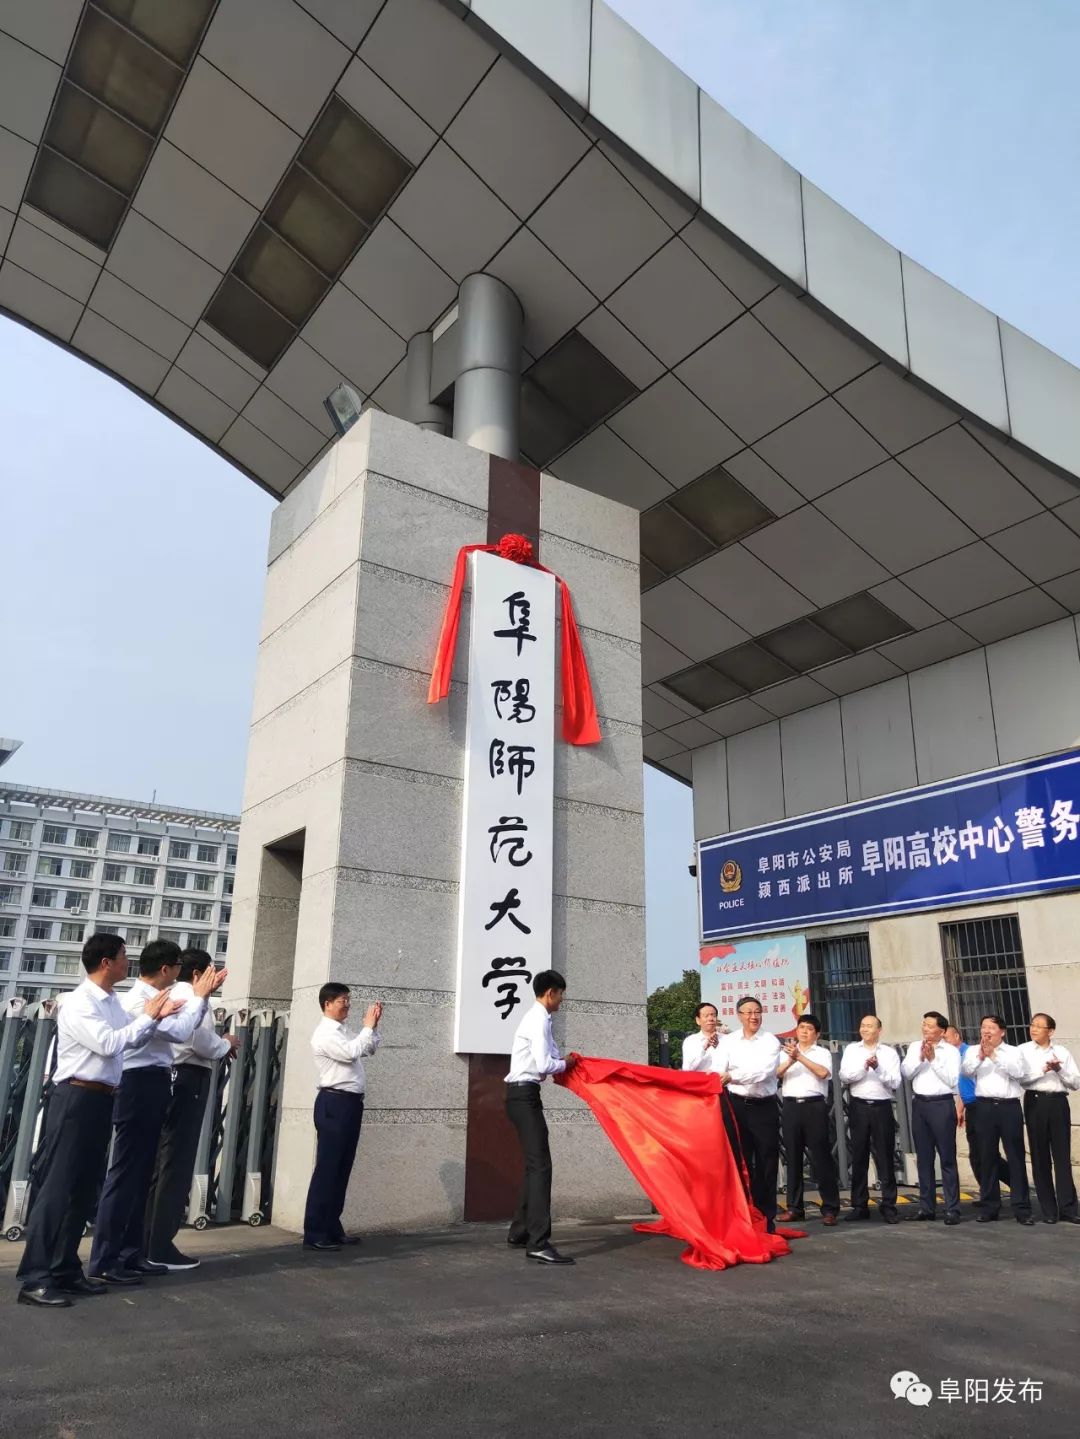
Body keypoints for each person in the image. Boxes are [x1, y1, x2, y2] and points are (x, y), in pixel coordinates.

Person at [15, 933, 185, 1307]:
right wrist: (149, 1017)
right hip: (75, 1097)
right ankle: (35, 1277)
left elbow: (133, 1039)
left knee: (84, 1188)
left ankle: (64, 1270)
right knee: (58, 1189)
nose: (129, 963)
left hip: (102, 1098)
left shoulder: (110, 1001)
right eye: (124, 956)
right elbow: (110, 1043)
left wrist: (153, 1019)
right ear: (106, 962)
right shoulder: (79, 1003)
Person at [88, 939, 225, 1284]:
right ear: (166, 969)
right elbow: (180, 1033)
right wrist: (201, 997)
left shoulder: (158, 998)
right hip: (138, 1083)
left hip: (156, 1081)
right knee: (125, 1174)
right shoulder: (138, 1001)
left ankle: (132, 1254)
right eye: (178, 967)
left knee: (141, 1173)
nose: (181, 974)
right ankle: (106, 1257)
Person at [145, 949, 241, 1269]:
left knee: (163, 1161)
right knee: (176, 1162)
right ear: (198, 974)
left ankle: (148, 1239)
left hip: (172, 1077)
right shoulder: (191, 995)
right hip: (187, 1079)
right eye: (211, 973)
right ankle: (159, 1245)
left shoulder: (173, 993)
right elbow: (201, 1042)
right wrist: (227, 1042)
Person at [505, 969, 579, 1264]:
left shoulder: (540, 1019)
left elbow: (549, 1057)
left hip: (522, 1096)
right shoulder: (538, 1020)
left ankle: (520, 1231)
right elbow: (544, 1063)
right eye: (561, 995)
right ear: (551, 992)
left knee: (533, 1166)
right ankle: (538, 1241)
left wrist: (564, 1060)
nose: (562, 1001)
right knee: (541, 1167)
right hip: (523, 1096)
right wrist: (567, 1063)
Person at [302, 983, 382, 1252]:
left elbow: (369, 1049)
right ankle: (314, 1232)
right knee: (328, 1168)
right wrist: (367, 1028)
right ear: (327, 1003)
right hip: (334, 1103)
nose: (346, 1004)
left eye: (348, 1000)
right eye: (342, 1000)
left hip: (349, 1104)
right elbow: (350, 1053)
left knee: (342, 1167)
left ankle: (332, 1227)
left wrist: (372, 1027)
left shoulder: (343, 1030)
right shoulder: (325, 1033)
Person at [959, 1015, 1034, 1225]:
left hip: (1009, 1106)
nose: (986, 1031)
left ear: (1002, 1031)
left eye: (991, 1027)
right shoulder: (974, 1051)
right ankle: (989, 1207)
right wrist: (982, 1056)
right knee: (987, 1157)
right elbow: (965, 1072)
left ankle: (1022, 1208)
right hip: (983, 1106)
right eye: (983, 1027)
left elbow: (1019, 1073)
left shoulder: (1013, 1051)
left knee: (1015, 1156)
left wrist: (994, 1056)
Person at [716, 995, 782, 1232]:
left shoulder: (770, 1041)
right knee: (739, 1160)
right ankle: (741, 1215)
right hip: (736, 1106)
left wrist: (733, 1075)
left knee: (767, 1162)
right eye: (748, 1012)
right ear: (739, 1015)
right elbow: (717, 1070)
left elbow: (763, 1072)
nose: (753, 1016)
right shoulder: (729, 1041)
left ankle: (766, 1217)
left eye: (757, 1012)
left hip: (763, 1107)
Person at [776, 1013, 840, 1226]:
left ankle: (830, 1208)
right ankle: (795, 1208)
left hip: (814, 1106)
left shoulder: (821, 1053)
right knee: (793, 1158)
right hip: (791, 1106)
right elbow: (776, 1074)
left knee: (821, 1158)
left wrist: (800, 1057)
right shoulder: (784, 1053)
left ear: (817, 1033)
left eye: (809, 1028)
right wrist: (790, 1059)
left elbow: (823, 1073)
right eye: (801, 1027)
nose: (804, 1031)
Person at [1018, 1012, 1080, 1224]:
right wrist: (1043, 1069)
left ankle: (1069, 1208)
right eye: (1032, 1025)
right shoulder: (1023, 1051)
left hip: (1058, 1103)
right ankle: (1048, 1210)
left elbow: (1075, 1082)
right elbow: (1022, 1080)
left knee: (1062, 1156)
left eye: (1039, 1026)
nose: (1033, 1029)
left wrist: (1058, 1068)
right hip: (1035, 1101)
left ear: (1050, 1031)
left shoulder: (1061, 1051)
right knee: (1039, 1155)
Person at [839, 1015, 901, 1223]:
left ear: (879, 1030)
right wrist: (864, 1067)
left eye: (869, 1026)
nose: (865, 1029)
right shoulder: (851, 1050)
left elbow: (895, 1081)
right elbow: (845, 1076)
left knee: (884, 1157)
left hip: (881, 1107)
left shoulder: (889, 1053)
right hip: (859, 1106)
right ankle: (859, 1205)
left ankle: (889, 1205)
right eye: (862, 1025)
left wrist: (878, 1068)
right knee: (859, 1157)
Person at [901, 1011, 962, 1224]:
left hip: (942, 1104)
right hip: (920, 1104)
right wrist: (920, 1057)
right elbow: (907, 1073)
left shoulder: (950, 1052)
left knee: (947, 1158)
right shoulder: (913, 1046)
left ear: (942, 1030)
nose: (925, 1028)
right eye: (924, 1024)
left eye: (930, 1025)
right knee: (924, 1159)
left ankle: (952, 1208)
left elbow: (952, 1079)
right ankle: (926, 1207)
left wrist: (933, 1060)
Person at [945, 1023, 1009, 1192]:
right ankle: (988, 1192)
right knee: (977, 1153)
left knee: (985, 1153)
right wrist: (960, 1107)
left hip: (980, 1105)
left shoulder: (970, 1052)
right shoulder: (951, 1056)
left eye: (946, 1038)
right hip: (969, 1105)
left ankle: (1014, 1183)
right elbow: (962, 1085)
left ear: (957, 1037)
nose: (944, 1042)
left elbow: (975, 1082)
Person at [681, 1002, 725, 1072]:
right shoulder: (690, 1041)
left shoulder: (727, 1039)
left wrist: (719, 1048)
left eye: (713, 1015)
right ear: (698, 1020)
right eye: (706, 1016)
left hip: (721, 1081)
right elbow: (687, 1069)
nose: (710, 1018)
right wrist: (704, 1049)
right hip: (700, 1081)